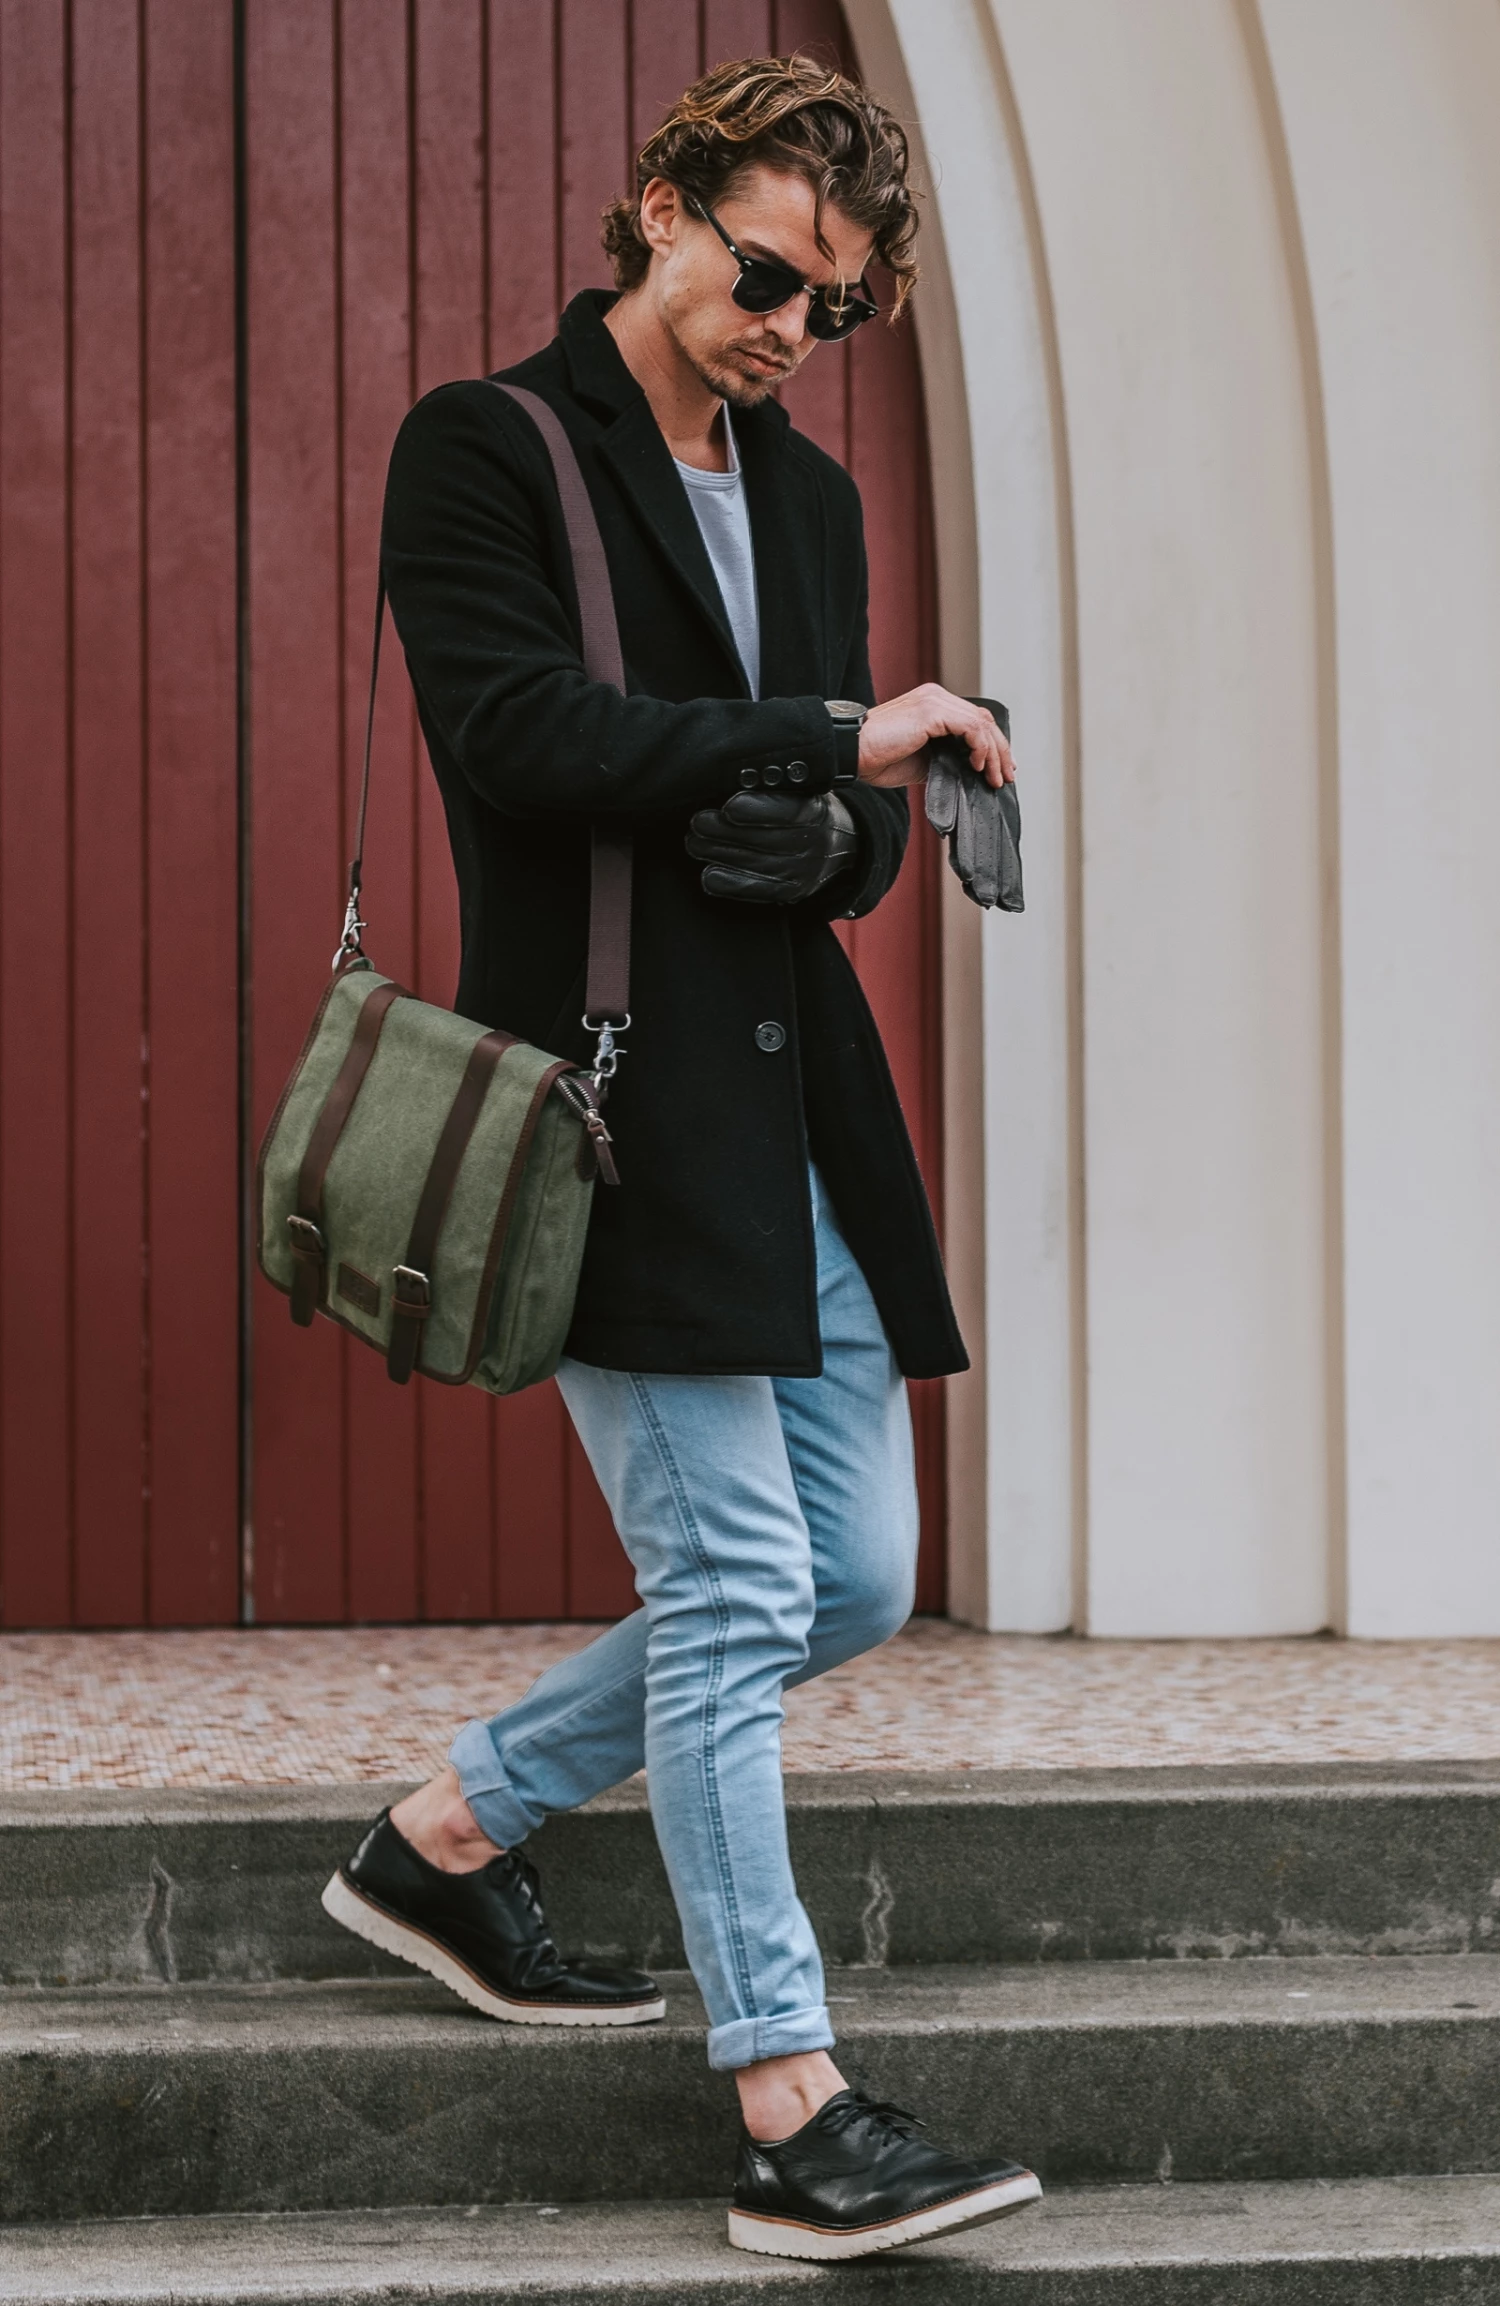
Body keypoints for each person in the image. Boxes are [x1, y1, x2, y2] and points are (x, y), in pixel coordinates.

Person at [322, 52, 1038, 2263]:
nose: (789, 328)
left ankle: (449, 1832)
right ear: (660, 206)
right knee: (734, 1584)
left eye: (834, 304)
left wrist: (843, 839)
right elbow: (520, 732)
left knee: (852, 1581)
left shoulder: (808, 503)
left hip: (797, 1116)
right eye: (764, 273)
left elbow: (834, 830)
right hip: (608, 1114)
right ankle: (790, 2102)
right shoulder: (489, 444)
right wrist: (825, 740)